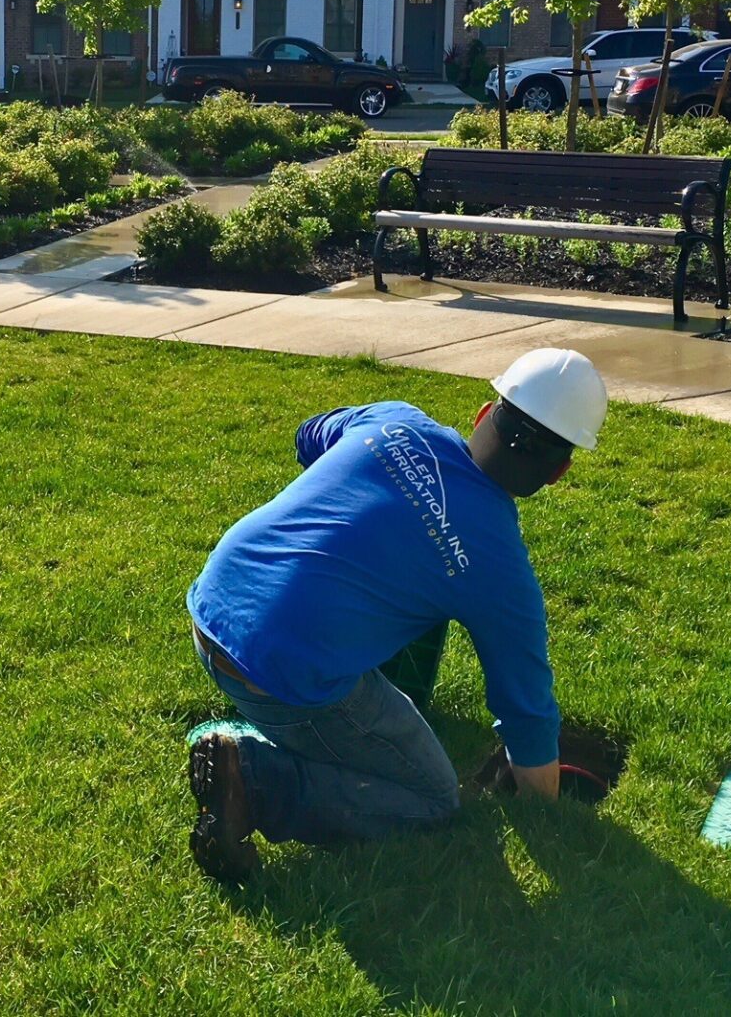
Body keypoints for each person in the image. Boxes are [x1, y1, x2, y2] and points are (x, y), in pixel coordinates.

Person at [184, 348, 609, 883]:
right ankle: (252, 778)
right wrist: (545, 811)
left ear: (483, 414)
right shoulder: (498, 567)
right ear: (560, 471)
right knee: (430, 798)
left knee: (411, 584)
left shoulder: (394, 418)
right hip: (281, 673)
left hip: (214, 600)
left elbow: (309, 435)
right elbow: (526, 712)